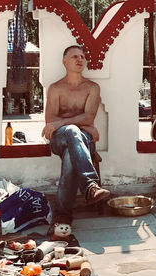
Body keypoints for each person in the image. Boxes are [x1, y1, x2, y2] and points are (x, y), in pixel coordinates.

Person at [41, 45, 110, 232]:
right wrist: (82, 125)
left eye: (82, 56)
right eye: (74, 57)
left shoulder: (92, 88)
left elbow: (89, 117)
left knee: (71, 156)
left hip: (84, 142)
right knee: (71, 130)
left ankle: (62, 214)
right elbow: (50, 121)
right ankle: (90, 185)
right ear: (64, 62)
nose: (80, 59)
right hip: (59, 140)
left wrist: (66, 124)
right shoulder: (56, 88)